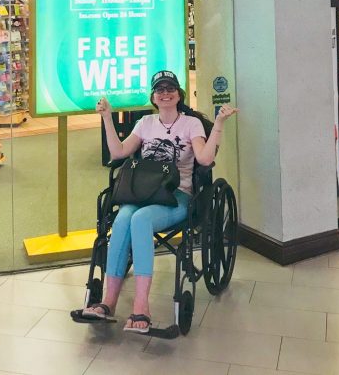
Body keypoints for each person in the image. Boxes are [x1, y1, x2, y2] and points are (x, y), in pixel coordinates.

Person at [79, 69, 238, 334]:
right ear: (153, 97)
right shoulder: (145, 124)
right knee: (123, 217)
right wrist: (107, 117)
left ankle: (142, 307)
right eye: (160, 90)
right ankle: (108, 302)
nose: (165, 93)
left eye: (170, 89)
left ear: (179, 94)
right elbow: (118, 151)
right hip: (143, 193)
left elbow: (205, 160)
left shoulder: (191, 124)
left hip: (178, 196)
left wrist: (219, 124)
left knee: (139, 219)